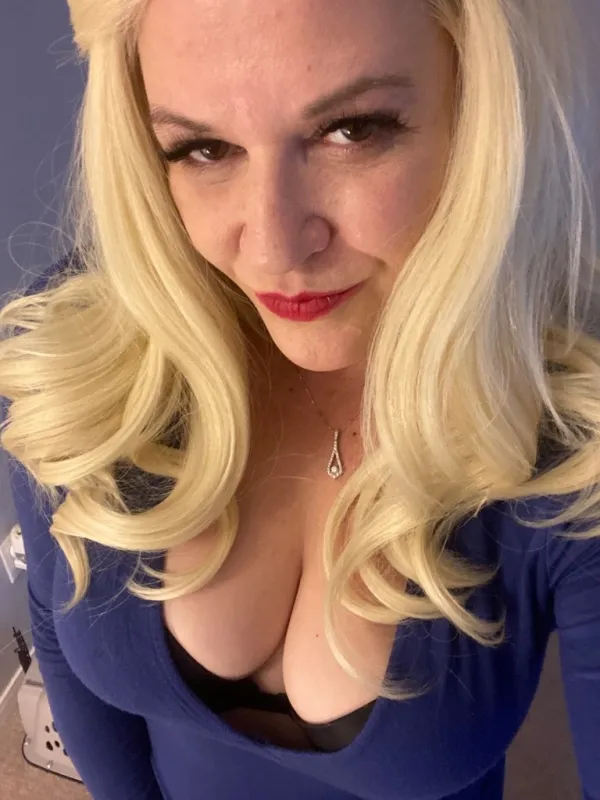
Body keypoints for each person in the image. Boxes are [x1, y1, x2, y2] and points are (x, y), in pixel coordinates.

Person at [1, 0, 599, 798]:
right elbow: (54, 630)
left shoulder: (568, 435)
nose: (274, 246)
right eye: (204, 148)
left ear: (484, 107)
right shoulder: (77, 358)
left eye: (353, 130)